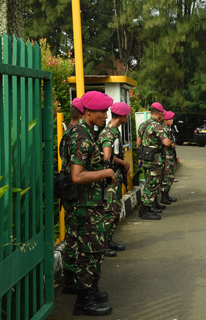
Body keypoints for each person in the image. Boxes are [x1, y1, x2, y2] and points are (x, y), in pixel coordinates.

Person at [67, 91, 115, 316]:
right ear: (88, 112)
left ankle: (92, 292)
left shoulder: (85, 132)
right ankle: (84, 301)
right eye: (101, 112)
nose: (105, 116)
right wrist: (105, 172)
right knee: (88, 252)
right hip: (85, 206)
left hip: (90, 203)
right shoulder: (81, 137)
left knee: (94, 251)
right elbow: (77, 175)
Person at [97, 102, 131, 258]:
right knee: (110, 211)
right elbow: (107, 155)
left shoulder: (114, 131)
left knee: (115, 210)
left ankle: (108, 240)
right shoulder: (109, 133)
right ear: (122, 116)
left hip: (115, 177)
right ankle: (102, 245)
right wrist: (123, 163)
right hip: (109, 179)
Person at [59, 97, 85, 294]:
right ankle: (72, 280)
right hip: (75, 193)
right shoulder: (76, 135)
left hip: (69, 191)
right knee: (75, 237)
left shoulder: (66, 134)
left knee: (72, 236)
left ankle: (70, 278)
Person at [137, 102, 172, 219]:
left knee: (149, 182)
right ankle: (145, 210)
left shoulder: (143, 124)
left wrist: (140, 157)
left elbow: (138, 142)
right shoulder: (156, 125)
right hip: (155, 159)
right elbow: (166, 142)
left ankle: (150, 206)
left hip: (146, 157)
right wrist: (169, 144)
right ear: (159, 113)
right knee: (153, 184)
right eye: (163, 114)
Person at [160, 111, 178, 205]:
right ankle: (163, 196)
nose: (172, 121)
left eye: (172, 119)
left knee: (171, 176)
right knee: (166, 176)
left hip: (171, 154)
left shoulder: (170, 129)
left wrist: (176, 156)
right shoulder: (163, 130)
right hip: (166, 155)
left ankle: (167, 195)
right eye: (170, 119)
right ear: (165, 120)